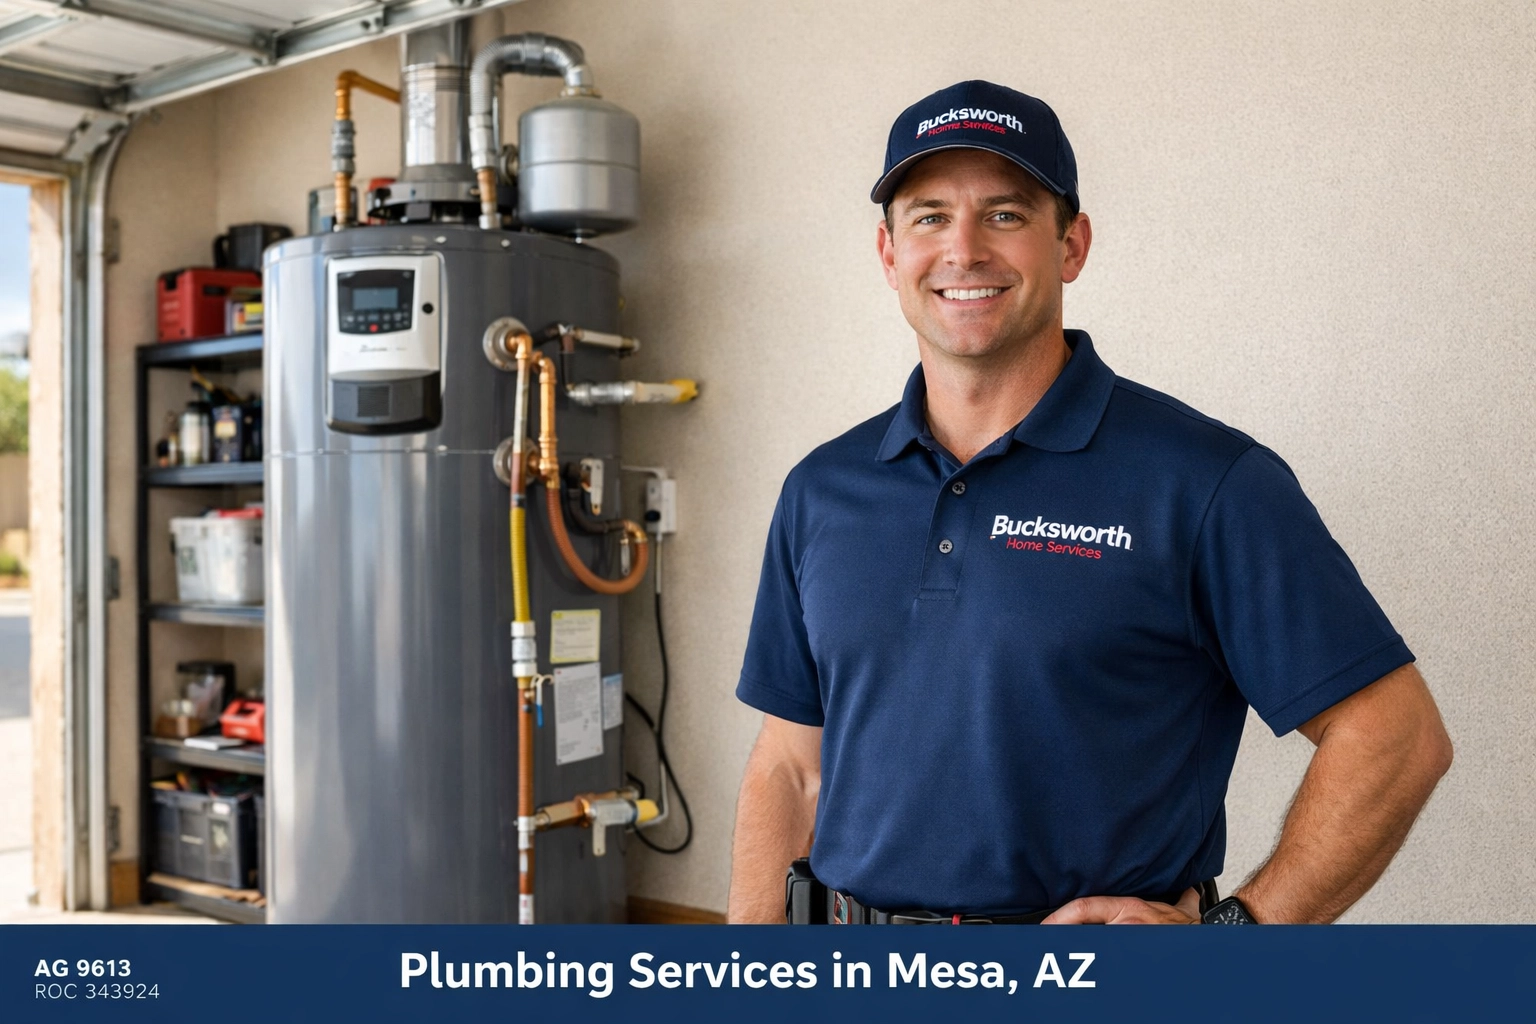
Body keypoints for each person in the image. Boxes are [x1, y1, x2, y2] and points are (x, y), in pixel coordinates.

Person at [727, 81, 1453, 925]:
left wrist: (1233, 943)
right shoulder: (822, 489)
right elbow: (790, 763)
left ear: (1071, 245)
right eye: (928, 216)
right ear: (889, 255)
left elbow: (1396, 738)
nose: (963, 250)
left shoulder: (1206, 481)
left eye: (1005, 214)